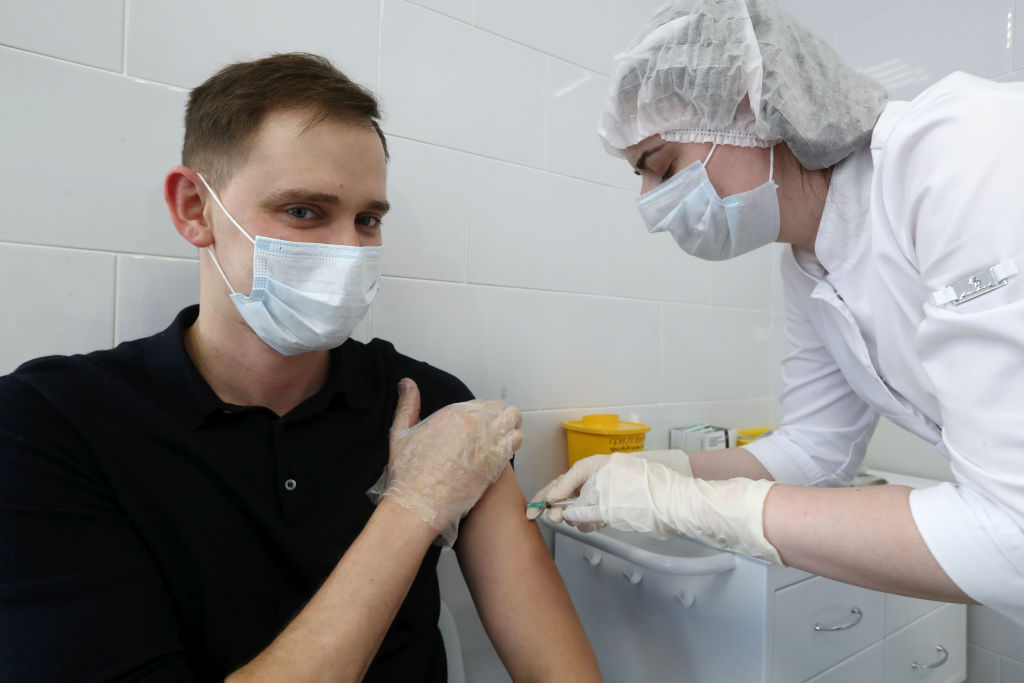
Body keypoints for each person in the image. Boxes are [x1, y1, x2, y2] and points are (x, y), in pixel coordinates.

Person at [0, 53, 601, 681]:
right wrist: (413, 506)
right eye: (304, 211)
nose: (349, 251)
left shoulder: (431, 405)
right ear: (195, 210)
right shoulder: (48, 425)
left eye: (367, 219)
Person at [528, 0, 1024, 625]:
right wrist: (660, 470)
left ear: (750, 105)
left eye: (661, 167)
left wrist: (689, 505)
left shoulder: (958, 154)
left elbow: (1014, 535)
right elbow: (814, 453)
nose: (650, 206)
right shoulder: (808, 260)